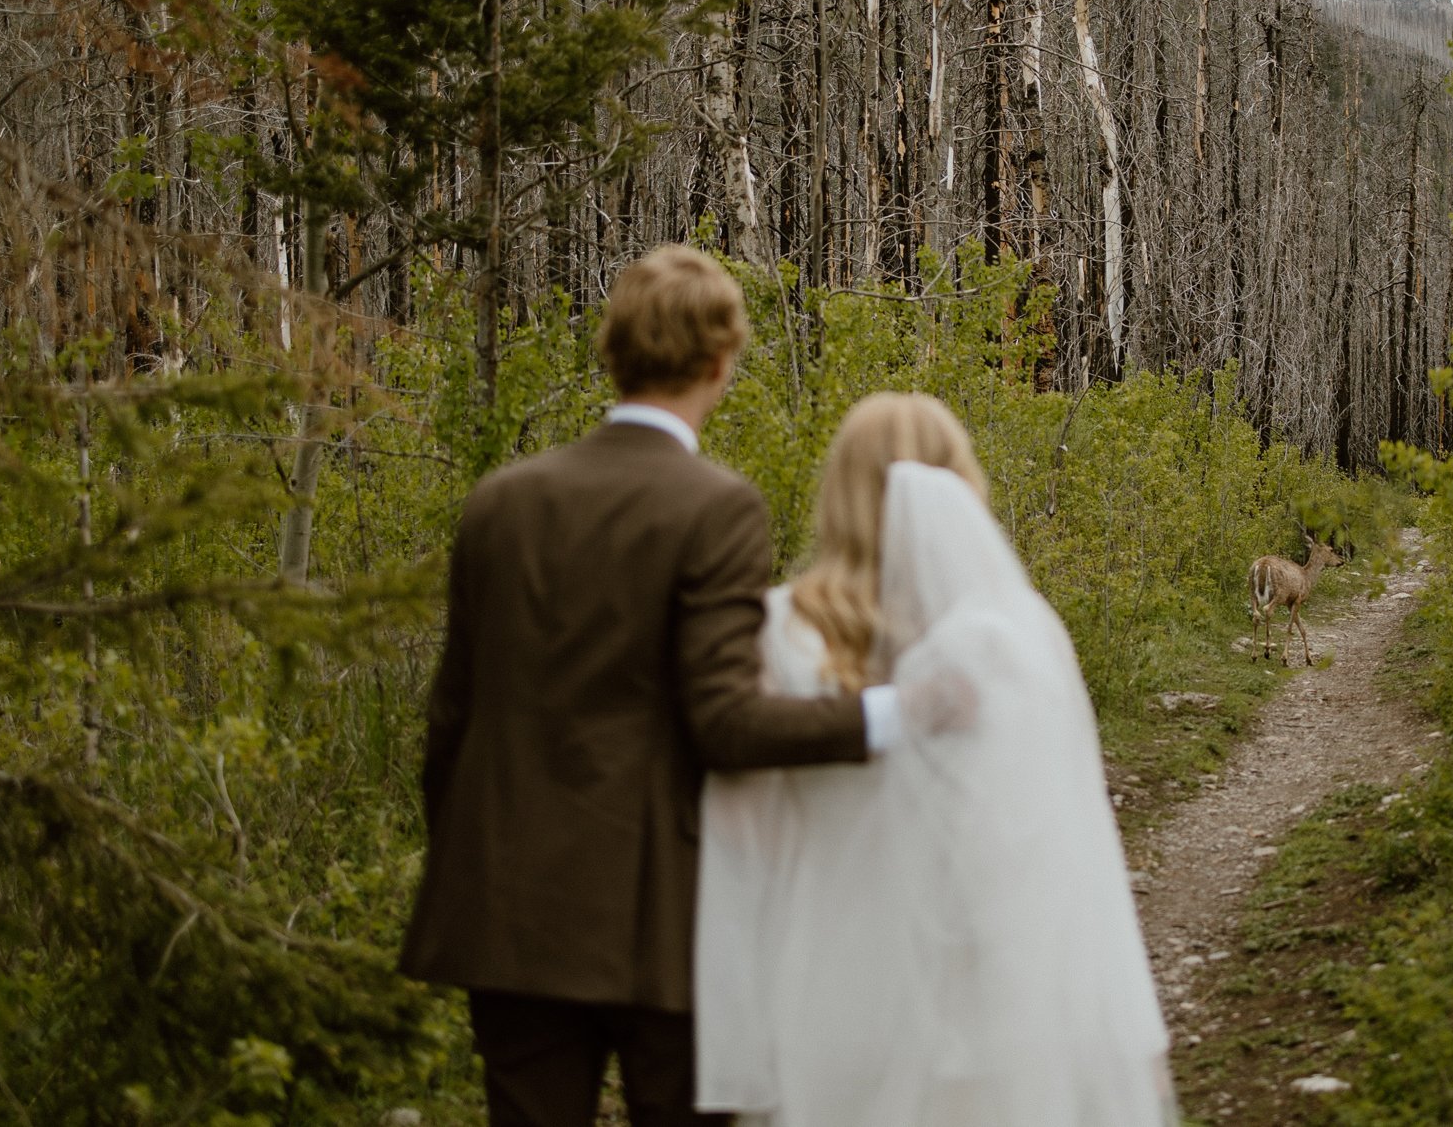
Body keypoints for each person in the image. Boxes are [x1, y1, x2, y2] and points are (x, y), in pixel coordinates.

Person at [399, 248, 968, 1127]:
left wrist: (474, 860)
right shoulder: (715, 507)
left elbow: (451, 722)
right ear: (720, 361)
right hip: (660, 915)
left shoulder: (500, 501)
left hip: (506, 906)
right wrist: (898, 711)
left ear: (612, 350)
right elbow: (726, 723)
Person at [697, 393, 1176, 1127]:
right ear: (960, 483)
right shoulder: (1005, 643)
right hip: (972, 1005)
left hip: (823, 998)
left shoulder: (778, 632)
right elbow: (1053, 845)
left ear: (839, 493)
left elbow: (738, 846)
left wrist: (735, 1048)